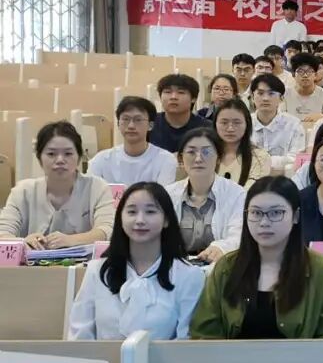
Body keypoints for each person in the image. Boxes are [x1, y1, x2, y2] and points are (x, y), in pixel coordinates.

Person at [190, 177, 323, 339]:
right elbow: (204, 335)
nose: (264, 222)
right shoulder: (226, 268)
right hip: (233, 356)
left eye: (276, 213)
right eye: (256, 213)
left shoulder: (320, 270)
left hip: (300, 357)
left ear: (295, 216)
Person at [68, 182, 205, 340]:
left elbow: (186, 342)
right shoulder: (97, 271)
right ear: (120, 218)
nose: (140, 220)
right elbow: (79, 337)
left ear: (166, 220)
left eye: (150, 212)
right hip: (103, 357)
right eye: (132, 212)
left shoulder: (189, 276)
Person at [0, 121, 112, 248]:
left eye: (68, 154)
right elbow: (3, 233)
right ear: (39, 158)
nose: (60, 160)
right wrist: (23, 242)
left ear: (79, 157)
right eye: (51, 154)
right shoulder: (22, 192)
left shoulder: (97, 187)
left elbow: (107, 230)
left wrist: (70, 240)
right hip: (31, 261)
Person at [165, 128, 246, 262]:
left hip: (220, 266)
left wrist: (221, 247)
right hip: (177, 266)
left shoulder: (237, 194)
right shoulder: (168, 194)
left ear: (219, 158)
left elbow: (239, 234)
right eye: (191, 152)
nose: (198, 159)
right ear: (181, 159)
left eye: (206, 152)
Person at [88, 96, 178, 186]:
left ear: (150, 125)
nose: (131, 126)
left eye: (138, 120)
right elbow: (92, 192)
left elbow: (163, 194)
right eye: (125, 119)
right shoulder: (101, 160)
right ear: (118, 124)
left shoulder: (165, 160)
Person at [249, 74, 306, 171]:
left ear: (281, 98)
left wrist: (263, 161)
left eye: (271, 94)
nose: (265, 98)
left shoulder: (294, 124)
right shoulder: (244, 123)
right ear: (252, 96)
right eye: (260, 93)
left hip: (284, 176)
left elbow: (296, 158)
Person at [214, 98, 271, 189]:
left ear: (247, 124)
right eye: (224, 122)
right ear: (215, 124)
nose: (230, 128)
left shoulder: (260, 157)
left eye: (237, 123)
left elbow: (253, 193)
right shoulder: (206, 154)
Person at [150, 74, 211, 153]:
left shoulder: (207, 128)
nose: (173, 97)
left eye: (181, 92)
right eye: (168, 92)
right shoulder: (149, 123)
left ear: (193, 98)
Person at [282, 53, 323, 122]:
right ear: (293, 74)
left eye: (309, 71)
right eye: (300, 71)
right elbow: (280, 118)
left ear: (315, 75)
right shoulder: (284, 94)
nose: (305, 75)